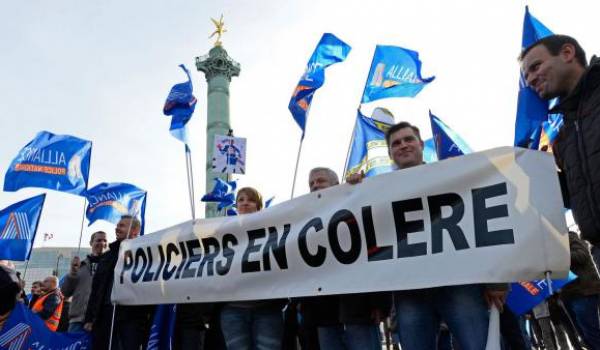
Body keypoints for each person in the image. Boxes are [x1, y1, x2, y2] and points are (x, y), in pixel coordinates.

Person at [346, 121, 507, 349]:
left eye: (408, 139)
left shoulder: (453, 174)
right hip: (409, 289)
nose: (403, 145)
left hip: (458, 281)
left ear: (421, 144)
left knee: (478, 344)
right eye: (396, 143)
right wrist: (353, 191)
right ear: (391, 154)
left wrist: (496, 282)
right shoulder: (376, 190)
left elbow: (481, 222)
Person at [519, 35, 600, 246]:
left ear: (567, 53)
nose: (529, 80)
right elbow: (574, 196)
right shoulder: (562, 135)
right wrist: (537, 173)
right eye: (526, 75)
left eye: (536, 67)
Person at [304, 167, 391, 350]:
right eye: (311, 183)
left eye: (320, 181)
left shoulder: (356, 206)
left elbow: (374, 250)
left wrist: (379, 302)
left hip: (359, 306)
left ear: (336, 185)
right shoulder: (304, 219)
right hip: (323, 311)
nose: (315, 186)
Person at [220, 187, 285, 350]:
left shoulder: (274, 228)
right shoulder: (221, 233)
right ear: (235, 206)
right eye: (240, 200)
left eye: (250, 199)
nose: (245, 203)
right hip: (232, 311)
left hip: (267, 310)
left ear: (259, 205)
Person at [84, 215, 154, 349]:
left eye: (122, 225)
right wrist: (89, 318)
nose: (117, 228)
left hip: (131, 317)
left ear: (135, 231)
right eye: (117, 225)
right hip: (104, 316)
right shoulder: (106, 257)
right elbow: (96, 290)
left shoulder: (144, 253)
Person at [560, 231, 600, 348]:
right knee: (584, 336)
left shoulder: (569, 236)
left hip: (583, 291)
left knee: (591, 334)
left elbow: (582, 255)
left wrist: (558, 256)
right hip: (568, 294)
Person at [62, 231, 107, 332]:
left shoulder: (111, 265)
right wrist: (73, 273)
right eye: (98, 240)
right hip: (77, 321)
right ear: (91, 243)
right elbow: (66, 292)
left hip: (101, 320)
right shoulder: (80, 266)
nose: (102, 243)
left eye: (105, 240)